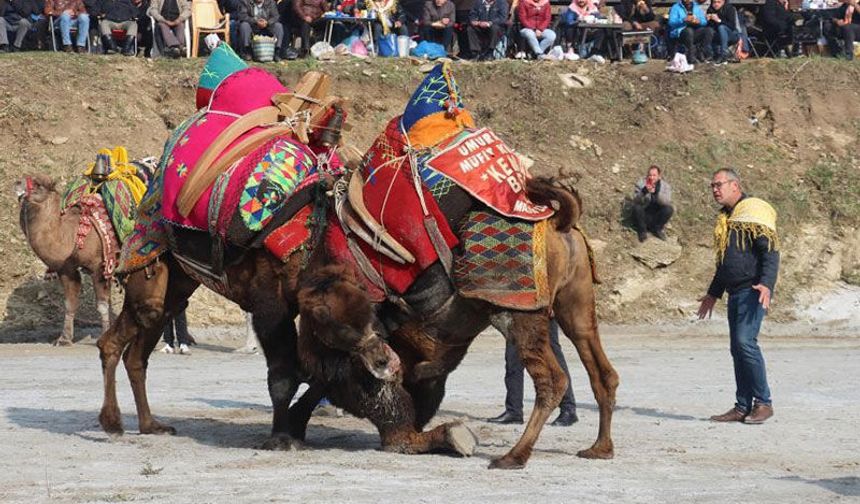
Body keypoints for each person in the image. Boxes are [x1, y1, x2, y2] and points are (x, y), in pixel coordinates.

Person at [697, 168, 780, 425]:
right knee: (737, 349)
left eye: (719, 184)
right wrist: (713, 293)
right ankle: (742, 406)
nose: (715, 190)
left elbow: (771, 252)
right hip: (734, 292)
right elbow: (726, 263)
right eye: (712, 185)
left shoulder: (753, 211)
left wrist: (766, 284)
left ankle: (763, 403)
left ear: (735, 185)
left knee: (745, 343)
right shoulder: (726, 218)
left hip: (753, 290)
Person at [487, 321, 578, 426]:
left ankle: (568, 409)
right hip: (517, 314)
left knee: (553, 354)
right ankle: (514, 411)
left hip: (543, 314)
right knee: (512, 357)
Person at [631, 165, 674, 242]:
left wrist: (656, 194)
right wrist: (643, 192)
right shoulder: (641, 183)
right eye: (650, 175)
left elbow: (667, 201)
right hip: (643, 215)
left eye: (654, 175)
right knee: (637, 207)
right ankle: (642, 231)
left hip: (656, 216)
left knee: (669, 209)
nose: (652, 177)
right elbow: (635, 200)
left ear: (659, 176)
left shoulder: (665, 186)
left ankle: (657, 229)